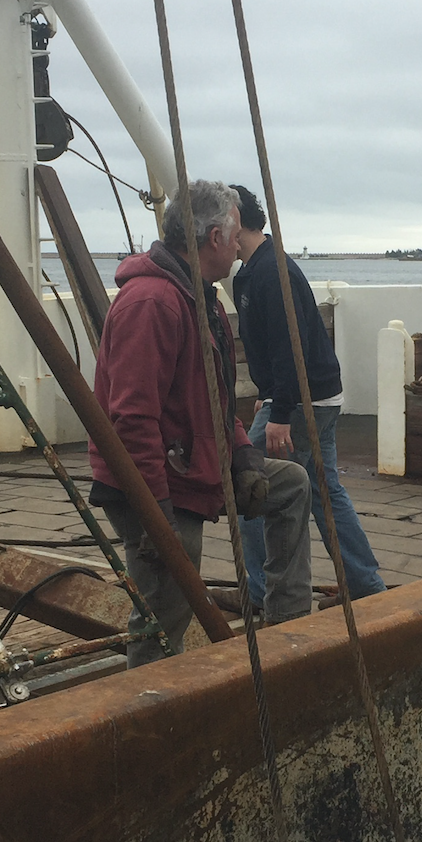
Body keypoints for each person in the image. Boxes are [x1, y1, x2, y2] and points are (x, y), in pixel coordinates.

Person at [90, 180, 313, 666]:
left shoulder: (203, 301)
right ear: (215, 238)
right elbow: (131, 420)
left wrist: (244, 456)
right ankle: (150, 698)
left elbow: (213, 399)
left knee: (290, 484)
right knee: (167, 605)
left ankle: (288, 639)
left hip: (191, 465)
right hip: (152, 483)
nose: (239, 248)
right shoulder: (153, 304)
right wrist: (159, 515)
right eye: (235, 237)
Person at [228, 185, 386, 607]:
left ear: (234, 222)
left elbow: (287, 344)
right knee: (322, 490)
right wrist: (270, 395)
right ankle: (365, 584)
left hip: (300, 404)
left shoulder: (269, 272)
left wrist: (280, 410)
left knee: (248, 484)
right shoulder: (256, 270)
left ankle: (263, 594)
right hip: (315, 397)